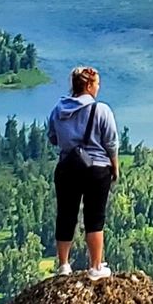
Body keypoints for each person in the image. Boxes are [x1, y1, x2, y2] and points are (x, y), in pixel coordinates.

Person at [48, 66, 119, 279]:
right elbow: (111, 142)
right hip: (97, 169)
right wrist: (115, 166)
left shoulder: (58, 110)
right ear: (88, 85)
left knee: (66, 215)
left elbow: (53, 138)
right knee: (94, 218)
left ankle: (63, 266)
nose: (98, 88)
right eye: (97, 84)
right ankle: (96, 267)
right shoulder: (101, 110)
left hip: (67, 168)